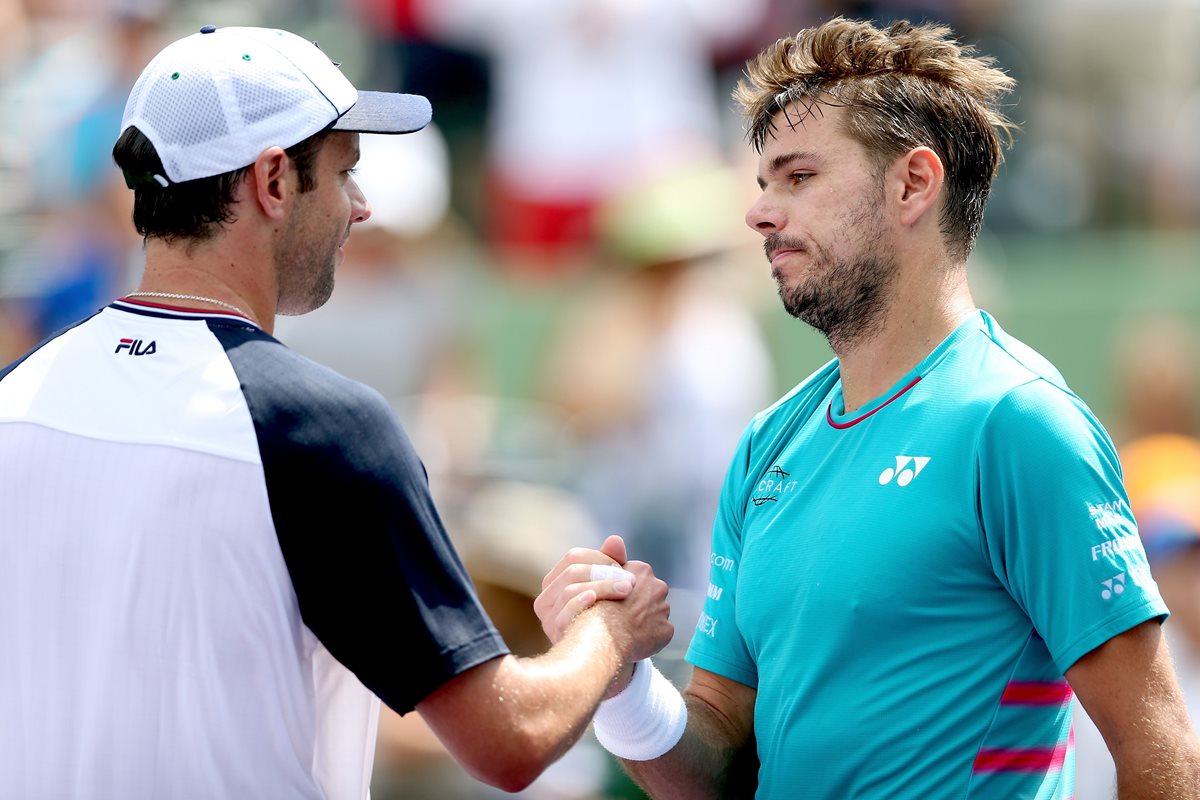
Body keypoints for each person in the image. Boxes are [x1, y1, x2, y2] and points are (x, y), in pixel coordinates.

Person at [534, 16, 1200, 799]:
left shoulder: (1018, 424)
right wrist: (618, 677)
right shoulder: (765, 448)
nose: (759, 212)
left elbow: (1162, 757)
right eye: (763, 183)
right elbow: (710, 768)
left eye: (799, 177)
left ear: (913, 183)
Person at [0, 25, 672, 799]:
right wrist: (609, 633)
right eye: (345, 172)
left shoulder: (15, 395)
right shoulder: (323, 431)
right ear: (274, 182)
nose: (361, 206)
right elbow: (511, 739)